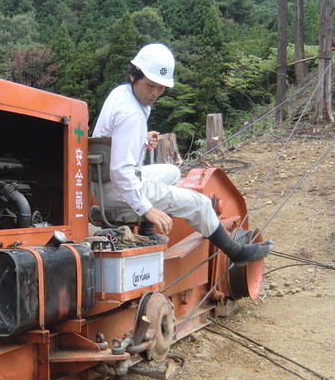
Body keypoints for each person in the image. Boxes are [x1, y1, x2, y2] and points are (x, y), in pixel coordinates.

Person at [91, 43, 273, 265]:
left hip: (103, 182)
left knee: (171, 172)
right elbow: (121, 172)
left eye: (161, 88)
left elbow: (114, 138)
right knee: (201, 204)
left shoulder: (121, 93)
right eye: (150, 85)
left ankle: (148, 233)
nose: (155, 93)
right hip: (118, 186)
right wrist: (147, 209)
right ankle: (236, 252)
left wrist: (141, 137)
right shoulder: (131, 114)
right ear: (133, 75)